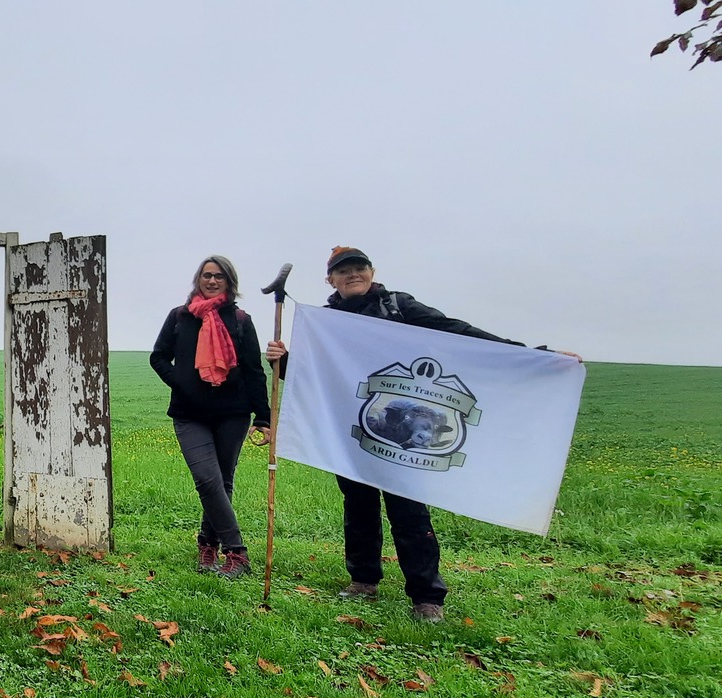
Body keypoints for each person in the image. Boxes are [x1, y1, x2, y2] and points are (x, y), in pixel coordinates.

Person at [266, 246, 582, 622]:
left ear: (372, 270)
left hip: (410, 433)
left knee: (409, 510)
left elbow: (462, 335)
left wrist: (535, 355)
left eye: (359, 267)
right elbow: (310, 376)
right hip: (357, 434)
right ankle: (363, 580)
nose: (353, 274)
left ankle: (427, 596)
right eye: (343, 271)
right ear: (330, 280)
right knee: (358, 505)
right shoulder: (326, 324)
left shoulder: (399, 307)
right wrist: (281, 360)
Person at [148, 255, 273, 579]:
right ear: (198, 279)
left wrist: (263, 416)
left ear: (229, 281)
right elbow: (158, 357)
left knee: (221, 481)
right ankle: (237, 551)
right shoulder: (180, 317)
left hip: (232, 413)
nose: (212, 280)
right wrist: (182, 381)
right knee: (207, 478)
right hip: (190, 413)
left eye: (219, 276)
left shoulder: (240, 320)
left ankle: (208, 544)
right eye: (207, 275)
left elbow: (253, 370)